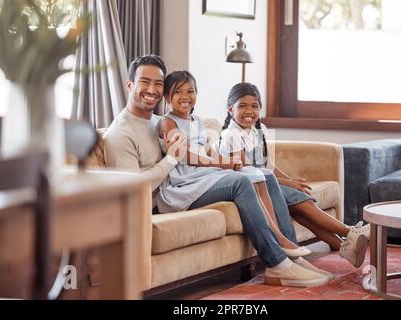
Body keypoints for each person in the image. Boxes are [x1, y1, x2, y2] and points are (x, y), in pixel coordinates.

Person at [103, 54, 333, 287]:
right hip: (166, 199)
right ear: (130, 84)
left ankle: (293, 256)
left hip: (192, 181)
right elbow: (133, 191)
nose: (152, 89)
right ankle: (278, 264)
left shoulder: (157, 120)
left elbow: (195, 145)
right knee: (240, 182)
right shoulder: (120, 134)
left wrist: (219, 155)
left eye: (158, 83)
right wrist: (172, 159)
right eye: (145, 81)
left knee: (264, 174)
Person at [156, 70, 310, 258]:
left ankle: (283, 238)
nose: (185, 97)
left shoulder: (196, 120)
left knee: (260, 175)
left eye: (191, 91)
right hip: (184, 182)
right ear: (166, 96)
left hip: (204, 174)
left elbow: (206, 151)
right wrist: (221, 164)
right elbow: (185, 155)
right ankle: (278, 239)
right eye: (178, 92)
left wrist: (229, 162)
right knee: (244, 180)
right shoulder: (167, 122)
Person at [217, 82, 370, 268]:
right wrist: (287, 184)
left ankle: (344, 248)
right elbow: (249, 171)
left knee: (301, 210)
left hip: (267, 182)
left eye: (255, 106)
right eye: (242, 106)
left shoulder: (260, 129)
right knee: (303, 204)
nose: (249, 111)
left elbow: (268, 165)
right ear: (230, 109)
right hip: (253, 187)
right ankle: (350, 231)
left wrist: (289, 180)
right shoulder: (230, 134)